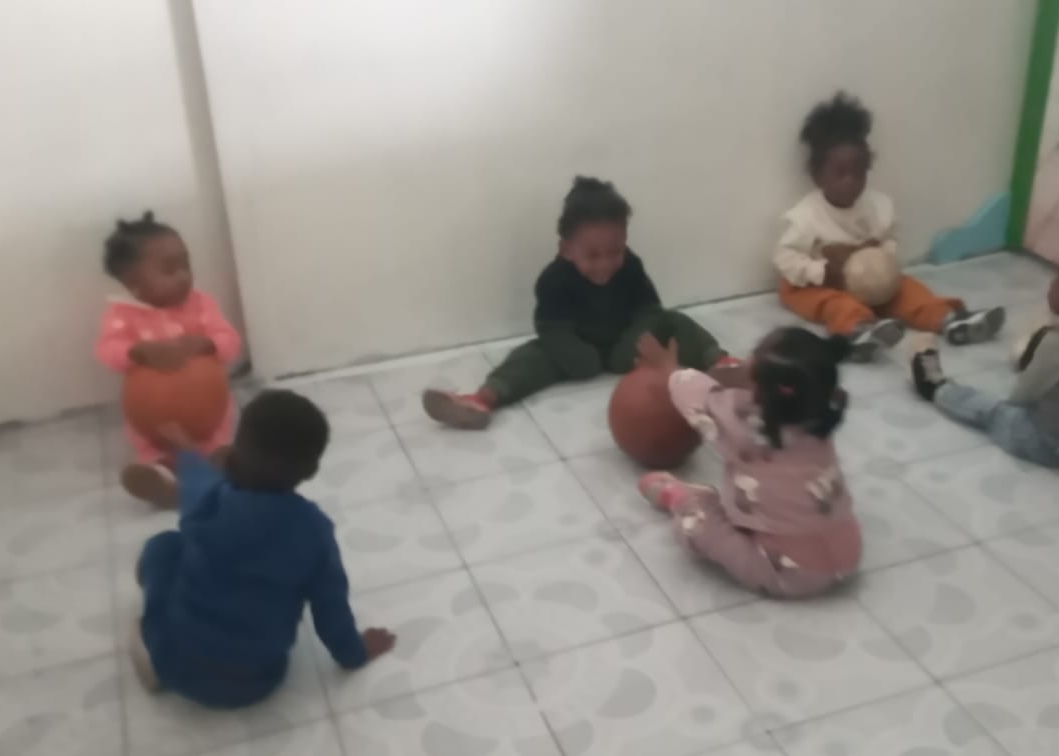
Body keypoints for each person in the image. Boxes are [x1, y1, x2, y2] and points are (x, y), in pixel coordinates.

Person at [128, 390, 395, 708]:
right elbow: (331, 608)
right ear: (310, 471)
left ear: (234, 449)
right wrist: (355, 653)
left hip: (172, 660)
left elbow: (199, 484)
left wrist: (187, 450)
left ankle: (154, 652)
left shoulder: (210, 500)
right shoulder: (313, 531)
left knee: (164, 546)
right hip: (256, 681)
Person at [423, 176, 739, 429]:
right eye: (592, 255)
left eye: (615, 252)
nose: (605, 264)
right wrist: (578, 358)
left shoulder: (631, 265)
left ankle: (722, 363)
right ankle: (482, 399)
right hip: (573, 345)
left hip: (626, 338)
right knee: (530, 356)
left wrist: (635, 343)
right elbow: (550, 327)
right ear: (566, 250)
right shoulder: (553, 279)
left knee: (675, 321)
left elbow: (649, 310)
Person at [775, 93, 1005, 362]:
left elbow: (890, 240)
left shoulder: (878, 206)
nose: (851, 181)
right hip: (819, 285)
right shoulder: (807, 215)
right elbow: (785, 257)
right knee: (838, 304)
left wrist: (884, 262)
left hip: (870, 282)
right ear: (818, 176)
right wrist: (819, 271)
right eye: (840, 173)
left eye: (859, 172)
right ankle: (858, 331)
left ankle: (951, 319)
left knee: (908, 289)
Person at [634, 328, 863, 598]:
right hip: (849, 554)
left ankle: (680, 496)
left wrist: (668, 369)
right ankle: (761, 525)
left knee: (700, 523)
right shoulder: (818, 415)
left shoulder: (747, 426)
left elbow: (698, 398)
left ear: (760, 390)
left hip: (788, 573)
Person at [909, 244, 1059, 471]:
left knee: (994, 409)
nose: (1052, 284)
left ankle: (935, 386)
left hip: (1055, 448)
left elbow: (1020, 397)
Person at [96, 212, 241, 507]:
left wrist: (207, 343)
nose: (183, 276)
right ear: (134, 283)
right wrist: (138, 351)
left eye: (186, 265)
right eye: (169, 269)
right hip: (154, 420)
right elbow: (107, 351)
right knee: (155, 449)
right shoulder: (123, 315)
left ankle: (220, 463)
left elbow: (231, 342)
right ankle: (162, 479)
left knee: (216, 442)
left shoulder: (201, 305)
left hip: (209, 411)